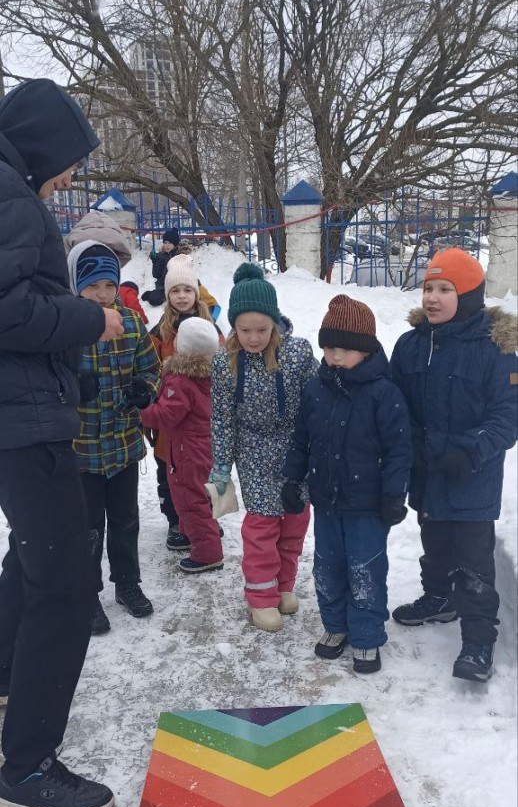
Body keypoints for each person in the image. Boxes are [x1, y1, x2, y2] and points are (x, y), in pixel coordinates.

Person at [0, 77, 124, 807]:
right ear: (45, 145)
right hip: (25, 424)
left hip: (22, 413)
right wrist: (87, 319)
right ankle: (27, 768)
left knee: (32, 559)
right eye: (72, 161)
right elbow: (8, 311)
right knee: (67, 587)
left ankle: (5, 680)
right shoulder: (13, 197)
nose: (72, 177)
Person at [390, 247, 518, 683]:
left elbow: (507, 415)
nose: (432, 297)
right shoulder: (410, 346)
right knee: (435, 542)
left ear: (468, 296)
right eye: (429, 288)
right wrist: (407, 448)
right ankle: (439, 598)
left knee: (474, 561)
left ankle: (479, 641)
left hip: (473, 476)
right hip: (428, 472)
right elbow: (396, 405)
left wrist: (471, 450)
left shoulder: (495, 350)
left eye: (445, 289)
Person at [282, 295, 412, 673]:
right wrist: (292, 478)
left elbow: (399, 450)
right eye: (328, 349)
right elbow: (301, 438)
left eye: (344, 350)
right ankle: (336, 626)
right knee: (327, 567)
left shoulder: (383, 393)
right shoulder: (316, 388)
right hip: (326, 502)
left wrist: (394, 495)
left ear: (366, 350)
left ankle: (367, 636)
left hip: (368, 506)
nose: (334, 357)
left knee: (365, 570)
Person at [210, 262, 317, 632]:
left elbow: (316, 403)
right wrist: (221, 465)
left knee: (295, 521)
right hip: (252, 451)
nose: (253, 338)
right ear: (233, 326)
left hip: (295, 450)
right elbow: (222, 417)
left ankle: (284, 585)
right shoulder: (225, 362)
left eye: (261, 329)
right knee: (262, 527)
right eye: (244, 330)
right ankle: (261, 597)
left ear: (275, 323)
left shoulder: (297, 354)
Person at [67, 240, 160, 635]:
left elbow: (151, 368)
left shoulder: (132, 322)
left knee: (125, 520)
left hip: (123, 443)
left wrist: (145, 389)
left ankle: (127, 582)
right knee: (87, 527)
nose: (103, 294)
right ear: (76, 287)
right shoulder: (66, 327)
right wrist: (72, 389)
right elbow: (46, 379)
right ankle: (86, 593)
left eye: (109, 285)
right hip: (81, 448)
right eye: (93, 286)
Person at [148, 256, 224, 549]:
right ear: (168, 295)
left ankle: (206, 519)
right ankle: (176, 521)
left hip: (203, 421)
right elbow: (149, 367)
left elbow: (224, 365)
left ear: (196, 293)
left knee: (206, 474)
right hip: (171, 419)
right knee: (168, 473)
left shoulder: (210, 328)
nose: (182, 296)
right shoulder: (160, 332)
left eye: (187, 290)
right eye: (175, 291)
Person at [141, 317, 224, 573]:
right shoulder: (212, 374)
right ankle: (191, 534)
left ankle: (208, 554)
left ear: (182, 345)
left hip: (187, 451)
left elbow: (166, 415)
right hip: (204, 447)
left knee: (191, 500)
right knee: (198, 496)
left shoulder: (181, 380)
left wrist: (142, 412)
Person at [142, 228, 180, 305]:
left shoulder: (180, 256)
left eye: (170, 243)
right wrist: (155, 261)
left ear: (175, 243)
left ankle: (165, 296)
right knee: (153, 300)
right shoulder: (161, 256)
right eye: (165, 242)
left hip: (177, 286)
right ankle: (159, 294)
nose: (167, 245)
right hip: (163, 286)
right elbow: (156, 275)